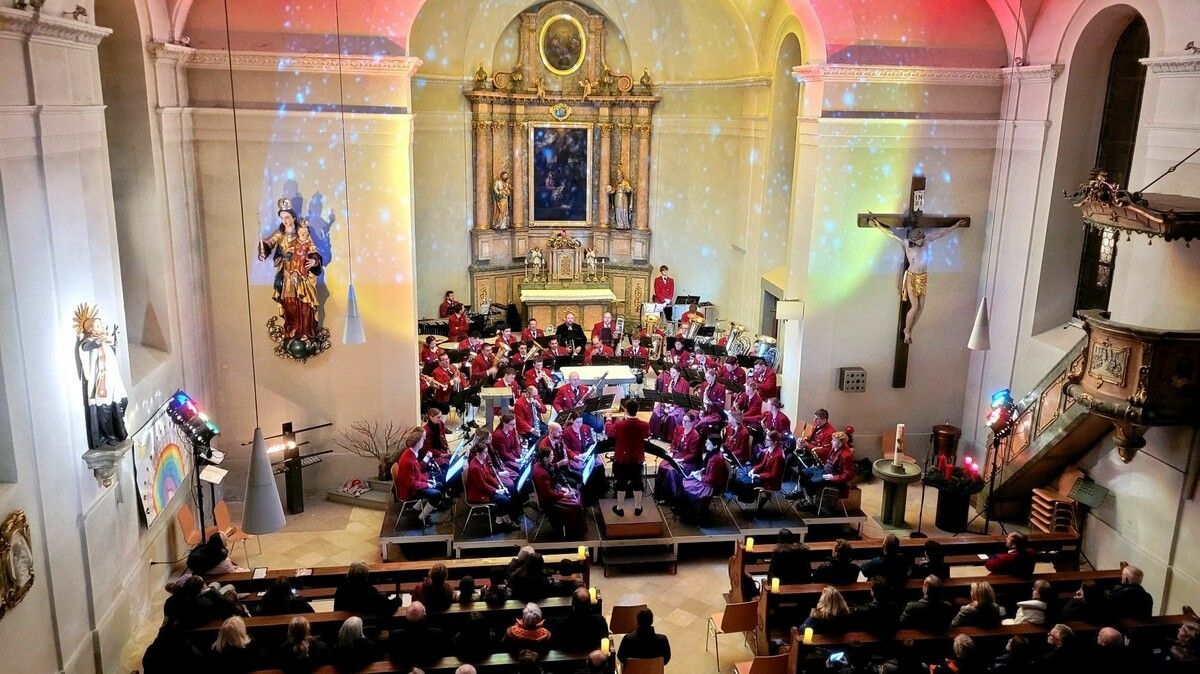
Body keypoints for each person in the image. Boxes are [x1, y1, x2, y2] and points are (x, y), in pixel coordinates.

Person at [391, 427, 444, 527]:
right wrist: (427, 484)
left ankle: (416, 509)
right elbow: (411, 484)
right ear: (418, 443)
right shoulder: (408, 460)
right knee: (437, 494)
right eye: (423, 439)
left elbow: (417, 471)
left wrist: (428, 481)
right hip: (408, 491)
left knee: (439, 484)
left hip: (412, 485)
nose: (424, 441)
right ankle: (420, 519)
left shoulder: (410, 452)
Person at [465, 436, 520, 530]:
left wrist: (499, 486)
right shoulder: (475, 467)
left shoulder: (481, 461)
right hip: (479, 494)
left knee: (506, 494)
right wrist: (496, 491)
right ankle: (506, 521)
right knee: (505, 500)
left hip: (485, 489)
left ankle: (501, 519)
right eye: (485, 453)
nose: (487, 454)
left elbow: (489, 476)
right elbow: (481, 485)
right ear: (478, 454)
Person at [608, 399, 651, 517]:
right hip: (637, 459)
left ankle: (620, 508)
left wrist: (608, 419)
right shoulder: (644, 424)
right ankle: (637, 507)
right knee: (637, 482)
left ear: (626, 410)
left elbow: (610, 433)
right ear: (637, 410)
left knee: (621, 483)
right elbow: (647, 435)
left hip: (622, 459)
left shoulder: (619, 424)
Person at [532, 445, 586, 538]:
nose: (553, 457)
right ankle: (575, 529)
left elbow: (551, 476)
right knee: (576, 505)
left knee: (577, 492)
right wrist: (564, 494)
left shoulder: (543, 463)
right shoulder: (541, 473)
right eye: (551, 455)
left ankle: (575, 524)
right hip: (548, 499)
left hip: (554, 490)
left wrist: (561, 488)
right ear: (545, 458)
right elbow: (548, 494)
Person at [793, 430, 855, 507]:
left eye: (834, 441)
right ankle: (806, 497)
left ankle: (810, 503)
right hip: (824, 470)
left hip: (831, 476)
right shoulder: (835, 447)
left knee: (811, 482)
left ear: (840, 443)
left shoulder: (846, 455)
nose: (831, 442)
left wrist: (833, 477)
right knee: (803, 472)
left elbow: (848, 475)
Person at [677, 435, 730, 521]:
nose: (705, 445)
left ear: (715, 446)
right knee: (686, 481)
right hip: (709, 480)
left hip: (712, 486)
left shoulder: (715, 459)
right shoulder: (713, 454)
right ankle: (688, 512)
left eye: (708, 444)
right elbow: (708, 469)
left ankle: (689, 515)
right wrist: (700, 472)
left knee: (686, 486)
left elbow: (712, 479)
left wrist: (699, 477)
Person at [654, 413, 701, 501]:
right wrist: (671, 452)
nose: (684, 423)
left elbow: (693, 454)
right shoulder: (679, 429)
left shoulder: (695, 436)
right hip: (677, 454)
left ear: (692, 422)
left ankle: (672, 496)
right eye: (683, 420)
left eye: (687, 421)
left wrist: (681, 460)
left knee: (672, 470)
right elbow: (674, 443)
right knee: (662, 465)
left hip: (687, 460)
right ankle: (661, 495)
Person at [550, 587, 610, 653]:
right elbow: (604, 641)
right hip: (592, 658)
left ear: (572, 603)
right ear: (590, 603)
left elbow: (555, 644)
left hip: (566, 661)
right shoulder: (600, 622)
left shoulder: (561, 622)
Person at [388, 601, 445, 670]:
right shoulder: (437, 635)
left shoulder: (395, 636)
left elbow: (392, 657)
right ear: (424, 615)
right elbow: (440, 654)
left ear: (406, 616)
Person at [648, 364, 689, 440]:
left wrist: (673, 407)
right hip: (668, 403)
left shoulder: (685, 383)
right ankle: (654, 433)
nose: (672, 374)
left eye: (674, 373)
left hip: (680, 406)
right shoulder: (669, 380)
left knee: (672, 416)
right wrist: (666, 404)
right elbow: (665, 394)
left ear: (679, 373)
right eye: (671, 372)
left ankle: (669, 438)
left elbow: (683, 400)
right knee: (656, 412)